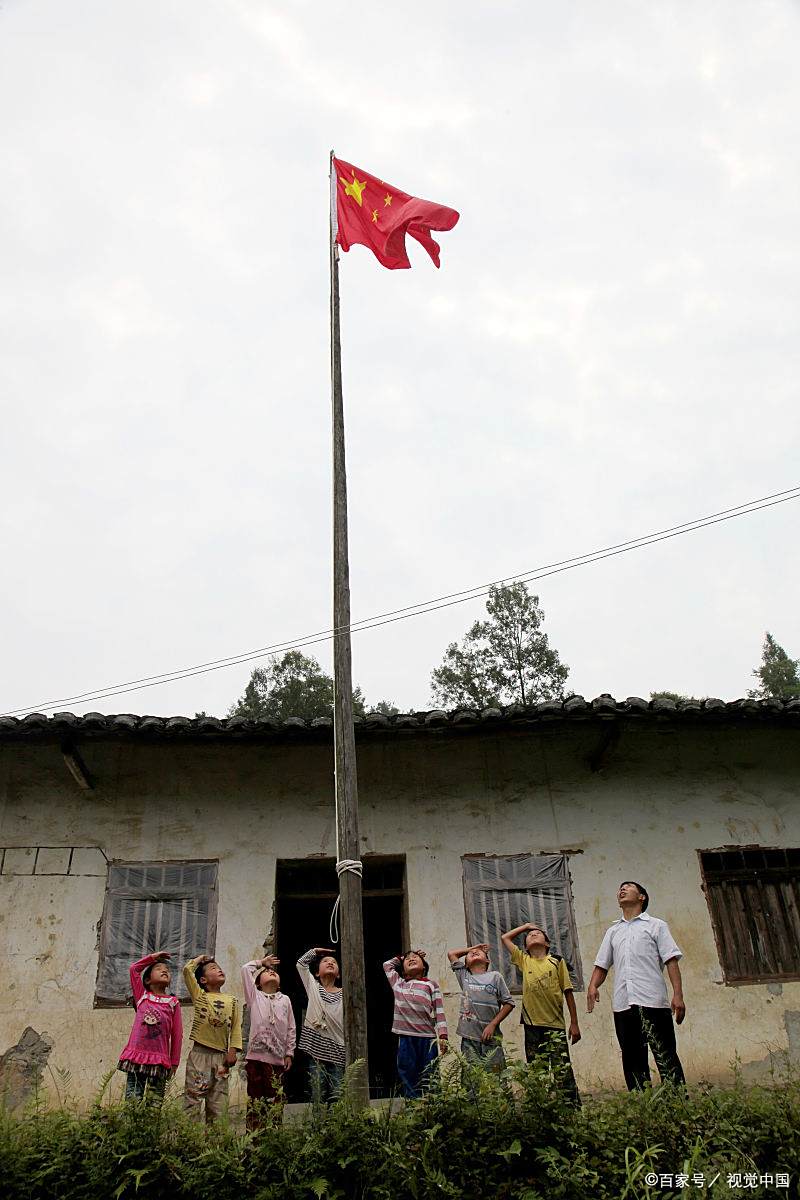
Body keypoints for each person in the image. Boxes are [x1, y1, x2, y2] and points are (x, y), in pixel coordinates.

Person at [587, 880, 686, 1091]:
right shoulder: (613, 932)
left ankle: (678, 1105)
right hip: (623, 1005)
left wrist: (678, 995)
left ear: (642, 897)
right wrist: (593, 986)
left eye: (629, 886)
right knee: (632, 1059)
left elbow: (671, 960)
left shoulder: (657, 926)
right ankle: (642, 1105)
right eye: (620, 887)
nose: (622, 889)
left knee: (665, 1054)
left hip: (654, 1001)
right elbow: (602, 965)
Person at [501, 922, 581, 1104]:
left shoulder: (557, 961)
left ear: (547, 943)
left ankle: (571, 1108)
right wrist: (526, 926)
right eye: (530, 935)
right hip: (531, 1024)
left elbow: (568, 992)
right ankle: (540, 1108)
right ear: (526, 946)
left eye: (538, 933)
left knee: (562, 1070)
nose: (533, 934)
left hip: (556, 1025)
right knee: (537, 1069)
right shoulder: (524, 960)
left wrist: (574, 1023)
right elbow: (505, 938)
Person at [183, 953, 242, 1122]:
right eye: (213, 968)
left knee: (218, 1102)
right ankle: (189, 1140)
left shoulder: (232, 1000)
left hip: (221, 1059)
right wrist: (200, 959)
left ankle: (215, 1144)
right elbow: (187, 970)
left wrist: (233, 1050)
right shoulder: (200, 996)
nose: (219, 970)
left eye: (220, 968)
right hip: (199, 1055)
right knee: (193, 1099)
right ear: (203, 980)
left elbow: (236, 1027)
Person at [117, 950, 182, 1100]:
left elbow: (177, 1034)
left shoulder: (173, 1002)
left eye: (167, 970)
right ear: (147, 980)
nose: (164, 970)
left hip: (160, 1061)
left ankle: (150, 1124)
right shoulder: (142, 996)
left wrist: (174, 1062)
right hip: (136, 1057)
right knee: (133, 1101)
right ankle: (132, 1124)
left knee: (154, 1103)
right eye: (158, 969)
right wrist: (152, 958)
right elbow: (134, 969)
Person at [383, 950, 448, 1099]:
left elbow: (439, 1011)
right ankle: (413, 1107)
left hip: (428, 1039)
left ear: (424, 967)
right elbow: (386, 965)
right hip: (406, 1038)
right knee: (408, 1072)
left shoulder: (431, 985)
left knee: (431, 1073)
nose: (411, 959)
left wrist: (443, 1035)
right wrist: (400, 957)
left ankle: (435, 1105)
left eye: (416, 958)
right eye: (408, 959)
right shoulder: (398, 984)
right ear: (403, 970)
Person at [241, 954, 296, 1128]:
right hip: (256, 1059)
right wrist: (261, 963)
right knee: (256, 1100)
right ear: (257, 983)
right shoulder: (254, 996)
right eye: (266, 972)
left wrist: (289, 1053)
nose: (271, 972)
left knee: (275, 1098)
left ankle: (273, 1136)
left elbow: (291, 1028)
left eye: (273, 972)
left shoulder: (285, 1000)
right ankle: (253, 1137)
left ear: (279, 983)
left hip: (277, 1059)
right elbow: (245, 969)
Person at [447, 942, 514, 1070]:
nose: (473, 952)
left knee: (496, 1079)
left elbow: (509, 1003)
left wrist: (493, 1025)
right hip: (469, 1038)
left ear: (487, 960)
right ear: (465, 964)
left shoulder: (495, 976)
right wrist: (474, 948)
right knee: (471, 1080)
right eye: (470, 954)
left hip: (490, 1037)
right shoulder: (464, 976)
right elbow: (452, 954)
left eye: (478, 952)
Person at [296, 947, 345, 1104]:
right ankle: (318, 1128)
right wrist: (315, 951)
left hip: (339, 1049)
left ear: (339, 974)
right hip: (316, 1052)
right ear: (317, 973)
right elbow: (301, 964)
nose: (330, 962)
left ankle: (335, 1128)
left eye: (333, 962)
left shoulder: (346, 992)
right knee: (317, 1093)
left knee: (337, 1094)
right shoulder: (314, 988)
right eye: (325, 961)